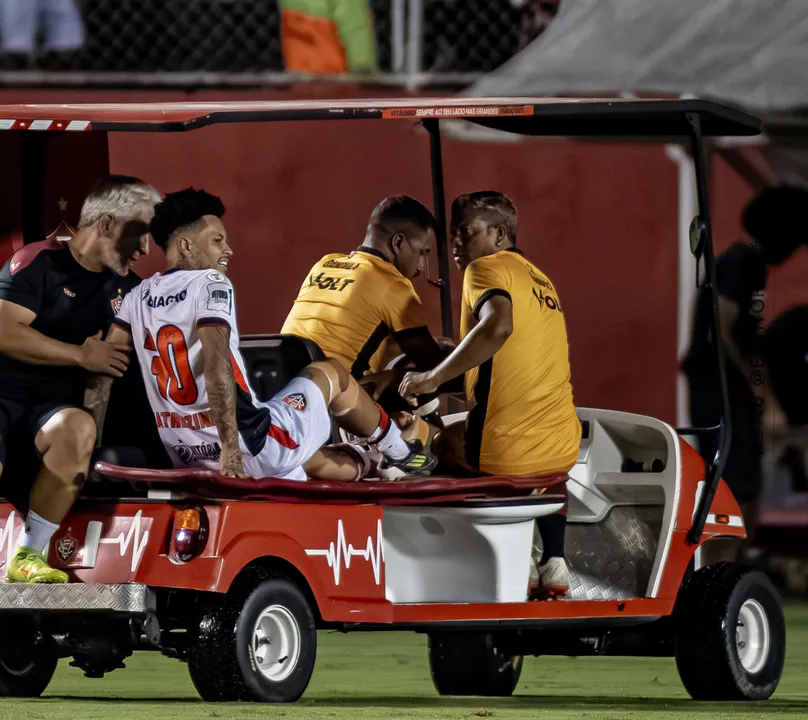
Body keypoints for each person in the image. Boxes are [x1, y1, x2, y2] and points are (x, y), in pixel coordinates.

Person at [0, 175, 161, 635]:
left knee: (78, 430)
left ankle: (29, 556)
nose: (144, 249)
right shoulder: (36, 262)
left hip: (44, 408)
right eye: (140, 233)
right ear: (105, 223)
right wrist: (81, 354)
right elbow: (3, 335)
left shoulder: (127, 291)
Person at [101, 187, 437, 481]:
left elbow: (104, 370)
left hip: (187, 453)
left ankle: (371, 462)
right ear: (187, 246)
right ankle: (400, 454)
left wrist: (95, 447)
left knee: (308, 459)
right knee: (331, 371)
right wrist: (231, 448)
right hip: (245, 445)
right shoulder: (210, 283)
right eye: (218, 240)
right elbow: (216, 365)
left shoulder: (137, 295)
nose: (228, 250)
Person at [399, 191, 581, 599]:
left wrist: (429, 380)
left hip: (508, 454)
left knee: (441, 443)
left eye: (465, 232)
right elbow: (505, 368)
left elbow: (498, 327)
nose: (456, 244)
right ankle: (554, 562)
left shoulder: (485, 269)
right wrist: (447, 369)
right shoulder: (539, 279)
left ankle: (457, 565)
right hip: (563, 450)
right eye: (453, 234)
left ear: (499, 235)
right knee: (535, 456)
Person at [682, 185, 807, 555]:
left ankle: (731, 571)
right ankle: (718, 577)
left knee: (743, 486)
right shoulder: (742, 261)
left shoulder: (743, 263)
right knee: (732, 487)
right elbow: (721, 327)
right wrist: (761, 393)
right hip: (721, 393)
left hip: (726, 391)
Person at [280, 195, 438, 379]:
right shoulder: (393, 283)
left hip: (281, 385)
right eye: (422, 253)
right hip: (331, 398)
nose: (421, 265)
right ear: (398, 243)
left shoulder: (324, 263)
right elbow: (434, 367)